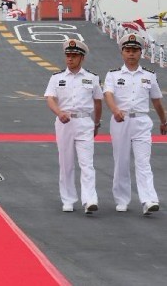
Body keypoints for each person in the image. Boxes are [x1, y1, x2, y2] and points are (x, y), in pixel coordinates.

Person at [103, 33, 167, 215]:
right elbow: (108, 94)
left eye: (135, 51)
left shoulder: (149, 76)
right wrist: (115, 110)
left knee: (143, 162)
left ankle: (149, 200)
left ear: (141, 53)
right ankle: (122, 199)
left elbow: (156, 101)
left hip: (142, 121)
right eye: (128, 50)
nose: (131, 54)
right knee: (121, 161)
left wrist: (164, 121)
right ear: (122, 53)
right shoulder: (113, 75)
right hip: (120, 121)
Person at [44, 39, 102, 214]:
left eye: (74, 55)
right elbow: (50, 98)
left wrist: (97, 123)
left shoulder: (92, 78)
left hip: (84, 121)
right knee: (66, 163)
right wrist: (59, 112)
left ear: (82, 57)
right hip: (64, 123)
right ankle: (68, 199)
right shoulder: (57, 78)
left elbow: (98, 102)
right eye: (68, 55)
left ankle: (90, 199)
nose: (70, 58)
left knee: (87, 163)